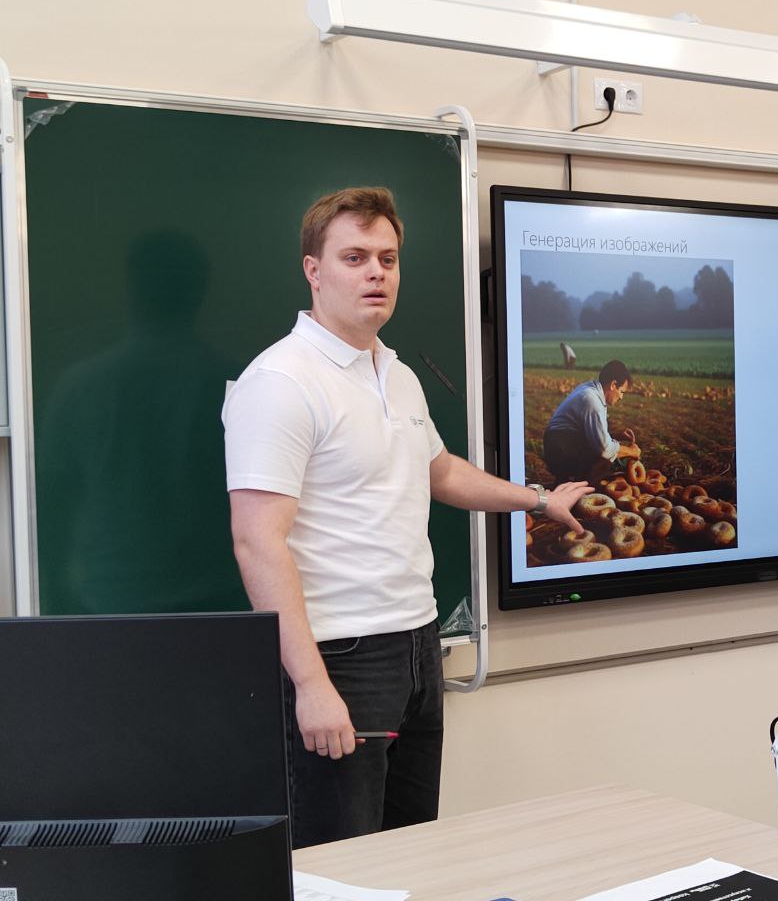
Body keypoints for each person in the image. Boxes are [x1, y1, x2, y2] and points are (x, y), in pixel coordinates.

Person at [223, 187, 590, 848]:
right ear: (313, 269)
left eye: (388, 259)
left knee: (410, 853)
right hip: (342, 656)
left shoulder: (394, 372)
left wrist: (539, 499)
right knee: (343, 869)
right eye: (355, 257)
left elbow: (439, 471)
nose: (376, 274)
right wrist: (311, 685)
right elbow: (257, 542)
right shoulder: (281, 382)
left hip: (417, 644)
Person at [541, 359, 642, 485]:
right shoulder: (592, 400)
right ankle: (578, 488)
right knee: (604, 460)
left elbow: (590, 431)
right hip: (560, 447)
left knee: (604, 452)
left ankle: (567, 482)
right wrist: (631, 451)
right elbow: (604, 449)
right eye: (621, 391)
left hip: (559, 442)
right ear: (613, 384)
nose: (621, 397)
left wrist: (615, 435)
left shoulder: (590, 389)